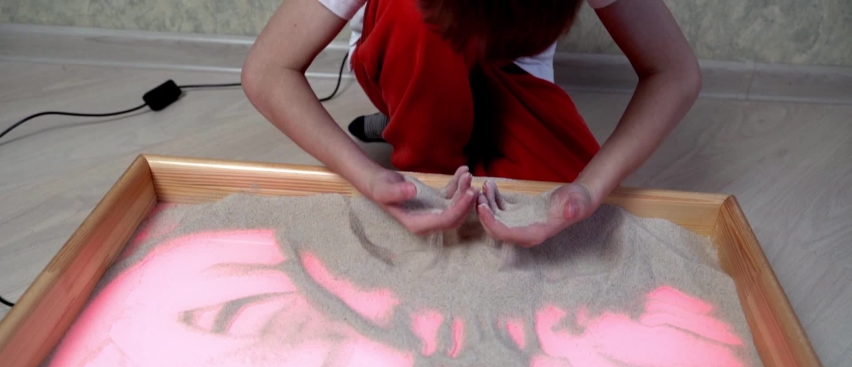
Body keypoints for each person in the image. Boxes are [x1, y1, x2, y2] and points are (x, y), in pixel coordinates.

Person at [242, 0, 701, 246]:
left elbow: (674, 73)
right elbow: (267, 71)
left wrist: (590, 188)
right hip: (412, 47)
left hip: (508, 78)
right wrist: (370, 178)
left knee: (561, 214)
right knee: (412, 13)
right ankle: (414, 136)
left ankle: (403, 124)